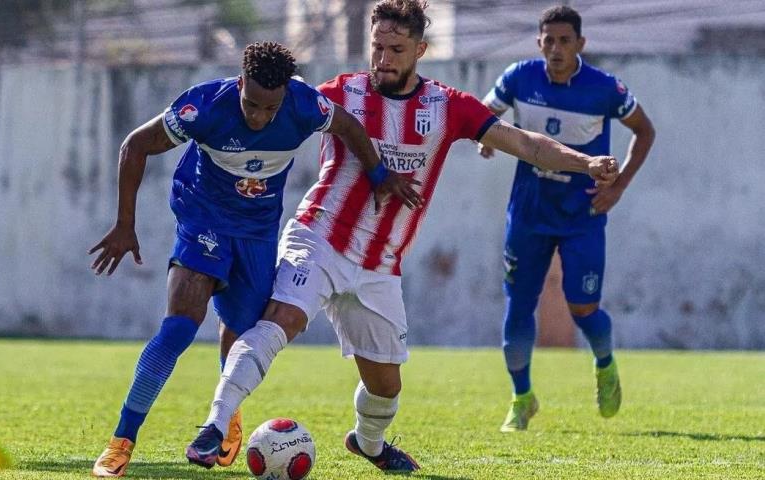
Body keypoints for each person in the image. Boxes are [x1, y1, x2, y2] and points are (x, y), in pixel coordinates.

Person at [185, 0, 620, 473]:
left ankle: (368, 443)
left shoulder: (448, 106)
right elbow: (266, 107)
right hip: (319, 238)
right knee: (281, 320)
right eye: (378, 47)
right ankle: (215, 427)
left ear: (420, 49)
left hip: (380, 266)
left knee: (386, 386)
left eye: (396, 48)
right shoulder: (340, 94)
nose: (384, 58)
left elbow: (526, 144)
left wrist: (585, 162)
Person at [89, 41, 420, 477]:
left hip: (258, 233)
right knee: (180, 326)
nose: (259, 116)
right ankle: (121, 442)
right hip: (203, 217)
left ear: (285, 93)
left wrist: (378, 174)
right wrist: (125, 224)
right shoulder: (206, 105)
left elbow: (348, 126)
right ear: (240, 82)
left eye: (270, 108)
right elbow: (135, 146)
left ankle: (226, 418)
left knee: (244, 331)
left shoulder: (304, 105)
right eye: (251, 104)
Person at [478, 5, 656, 432]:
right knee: (519, 306)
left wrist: (619, 186)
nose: (556, 49)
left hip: (583, 214)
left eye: (565, 41)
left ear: (581, 44)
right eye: (549, 41)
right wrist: (484, 139)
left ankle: (605, 364)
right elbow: (484, 115)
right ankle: (522, 399)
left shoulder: (604, 89)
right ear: (538, 43)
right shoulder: (519, 77)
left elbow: (645, 131)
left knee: (582, 306)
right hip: (529, 212)